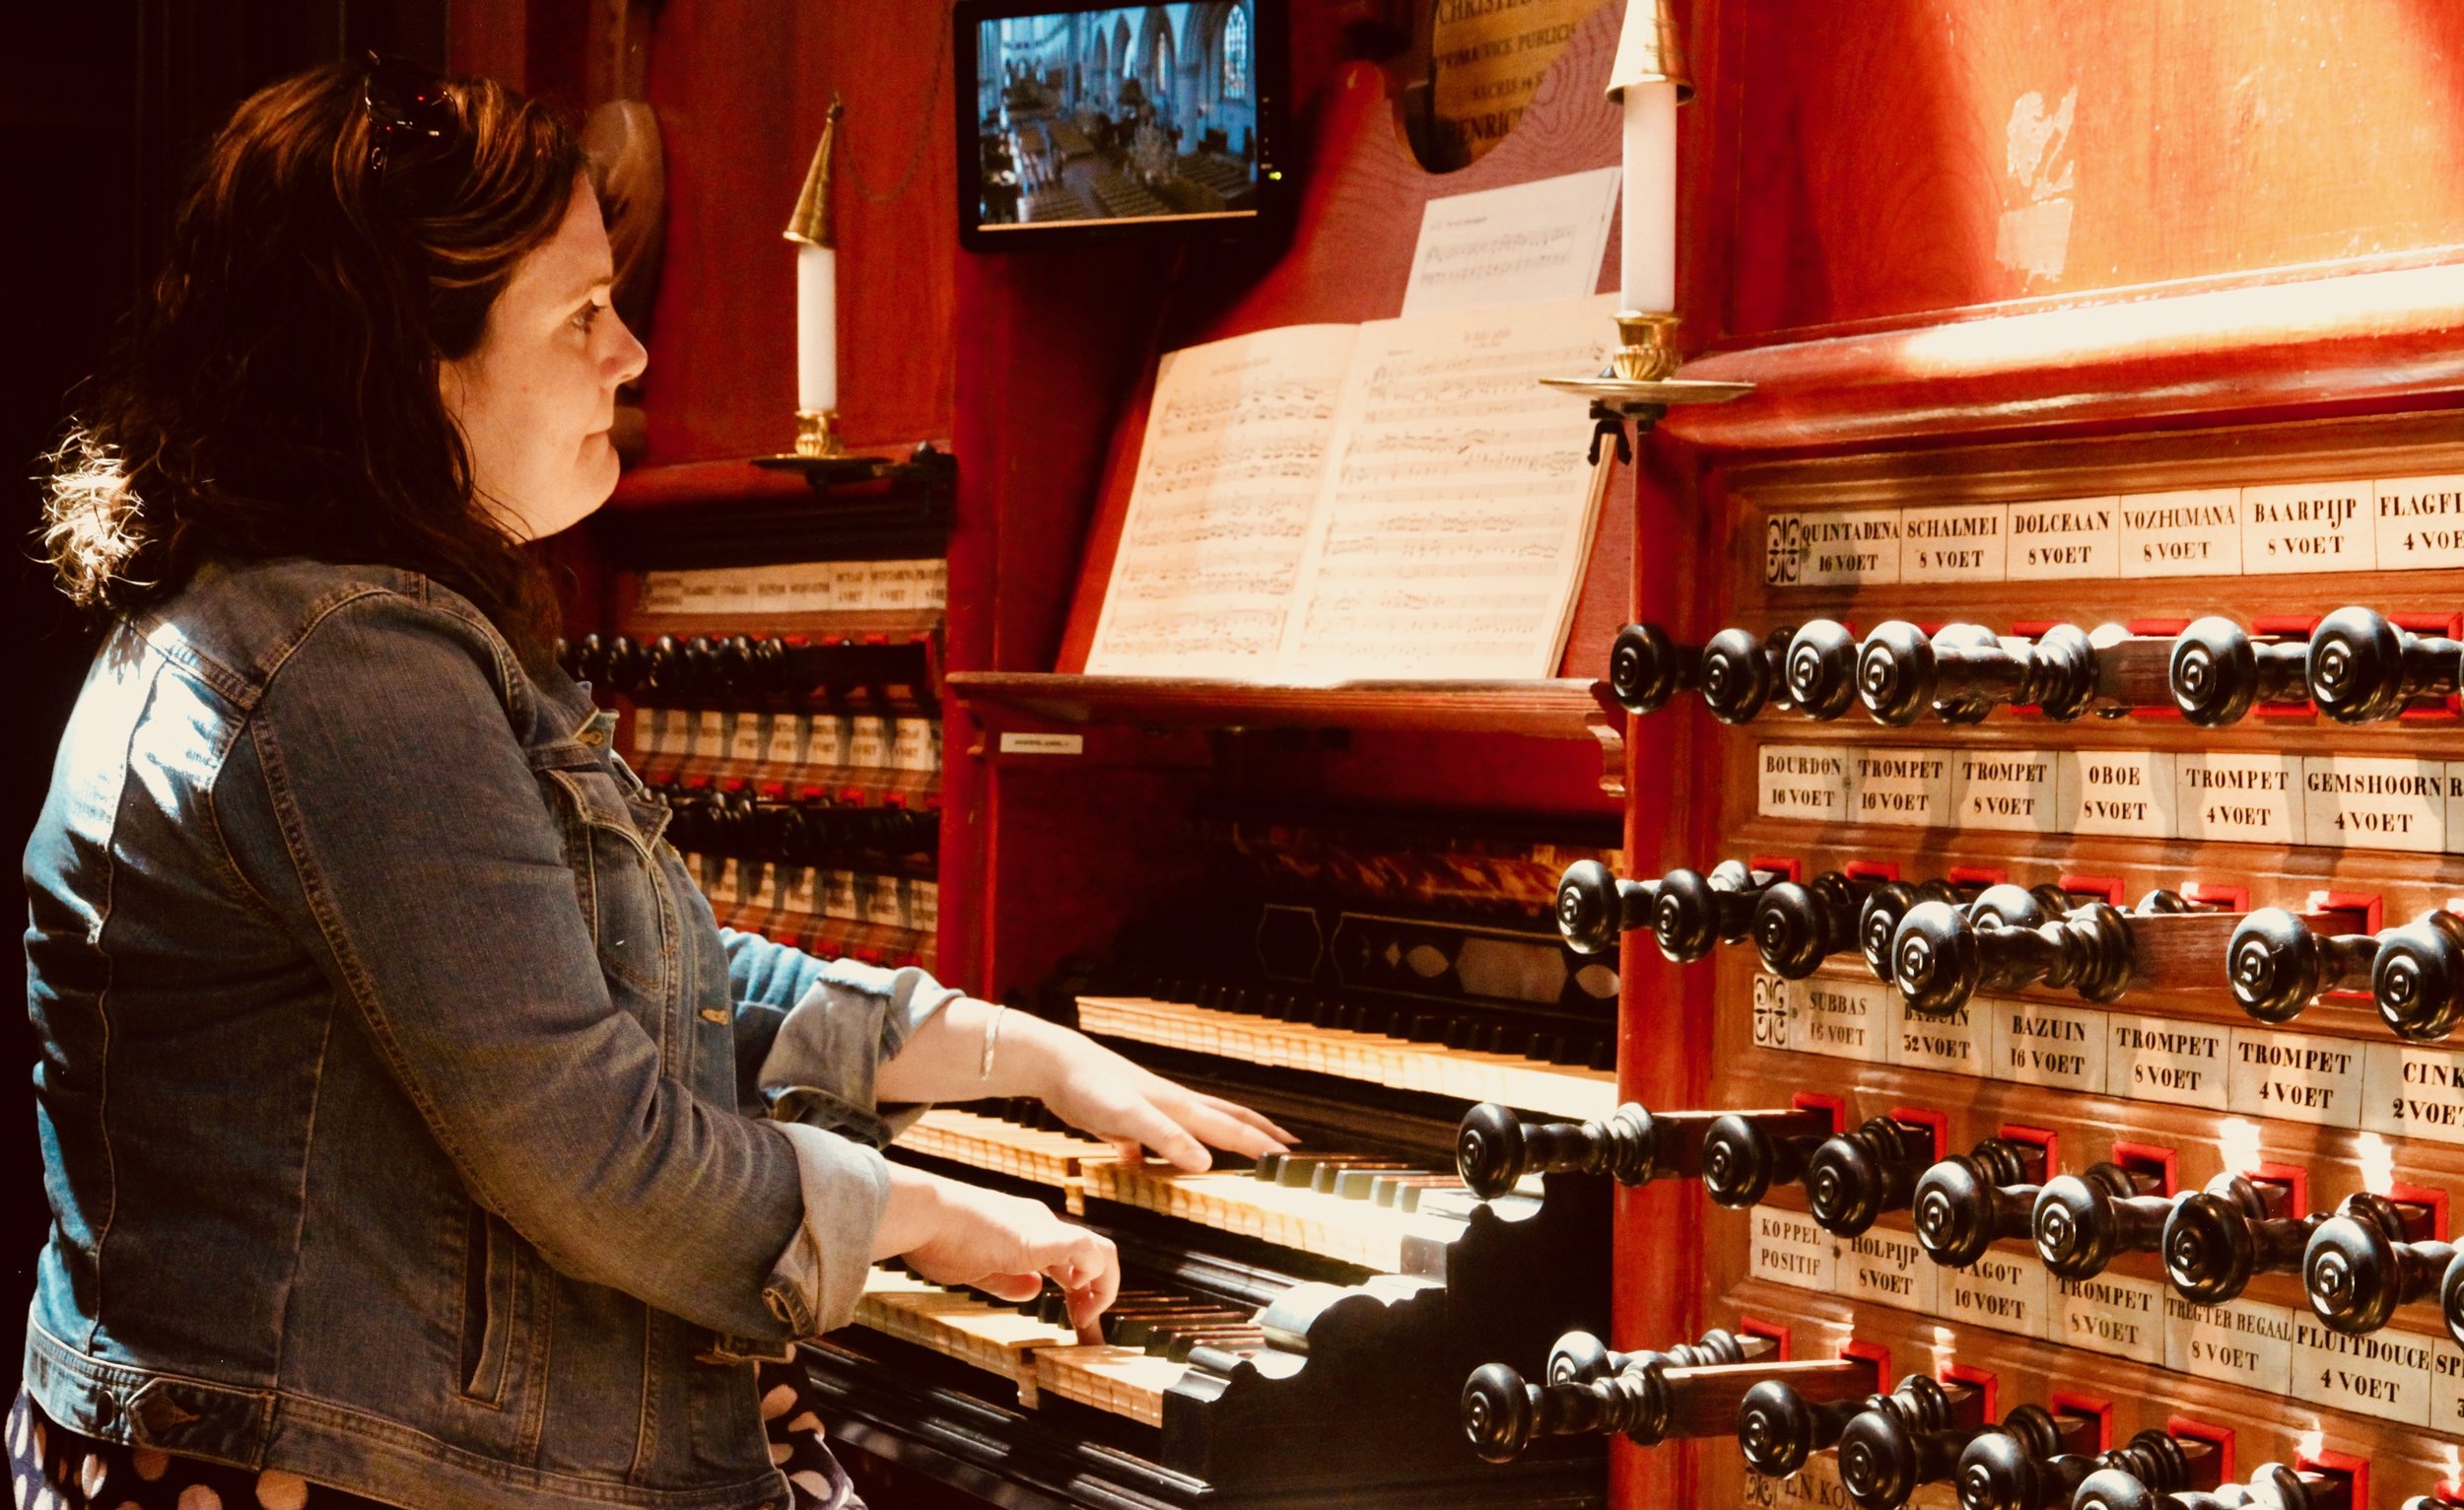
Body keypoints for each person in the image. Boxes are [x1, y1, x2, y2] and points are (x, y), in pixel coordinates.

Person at [15, 56, 1288, 1510]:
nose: (630, 357)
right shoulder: (346, 666)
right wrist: (925, 1215)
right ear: (400, 366)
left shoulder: (318, 617)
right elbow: (595, 1150)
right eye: (580, 318)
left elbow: (629, 973)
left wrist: (1013, 1053)